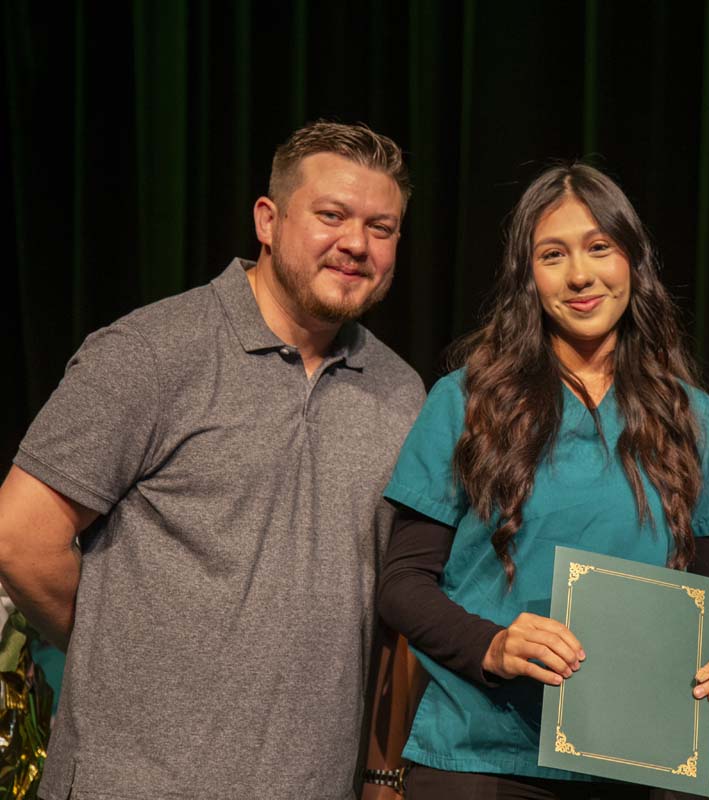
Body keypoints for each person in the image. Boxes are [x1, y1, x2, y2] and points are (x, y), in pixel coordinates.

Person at [0, 121, 426, 799]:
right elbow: (20, 537)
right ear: (268, 220)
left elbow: (393, 610)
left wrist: (382, 773)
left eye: (382, 227)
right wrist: (127, 655)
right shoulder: (152, 351)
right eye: (331, 215)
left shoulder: (402, 394)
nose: (356, 243)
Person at [373, 163, 709, 799]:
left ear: (633, 260)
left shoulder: (693, 418)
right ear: (527, 275)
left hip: (638, 763)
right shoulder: (466, 401)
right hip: (484, 757)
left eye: (599, 247)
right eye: (553, 255)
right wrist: (492, 645)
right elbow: (403, 584)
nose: (579, 275)